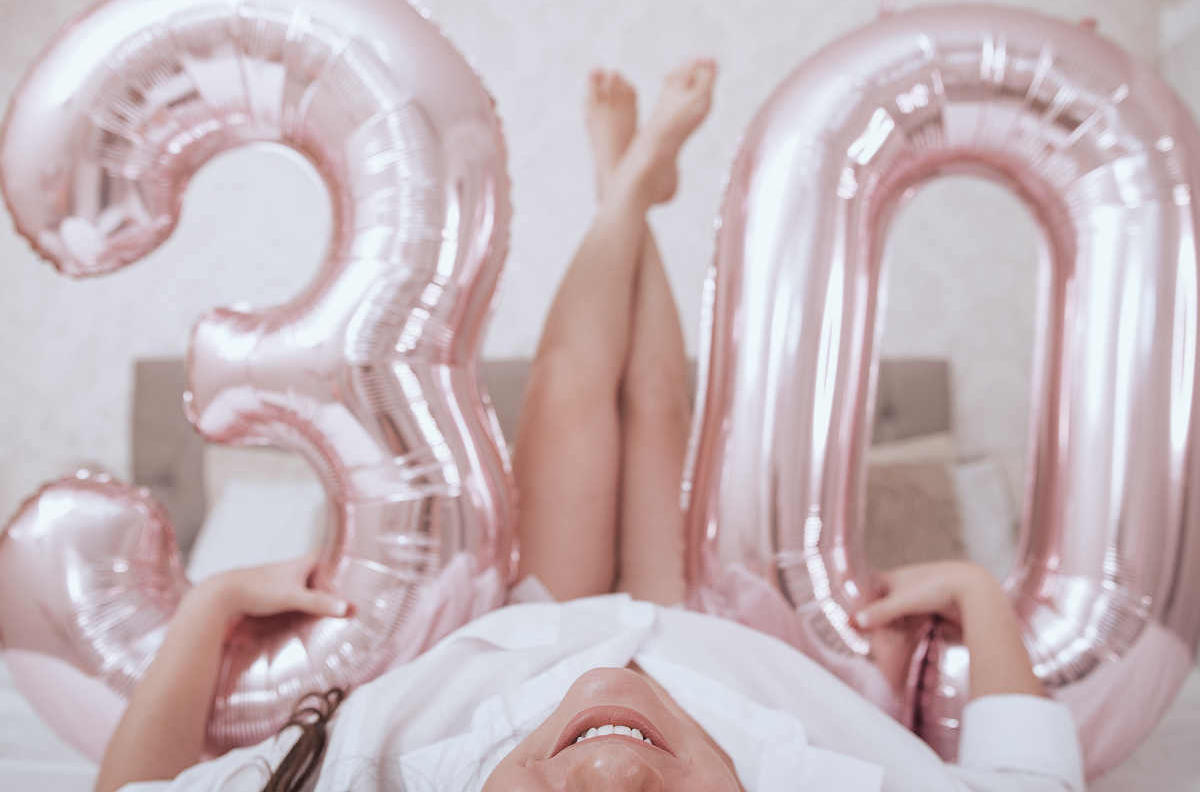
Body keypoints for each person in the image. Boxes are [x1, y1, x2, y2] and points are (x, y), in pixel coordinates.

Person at [94, 59, 1083, 792]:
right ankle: (632, 184)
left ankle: (629, 180)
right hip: (723, 649)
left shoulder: (367, 773)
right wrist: (977, 595)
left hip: (516, 644)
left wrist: (211, 605)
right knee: (657, 407)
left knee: (570, 392)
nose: (611, 782)